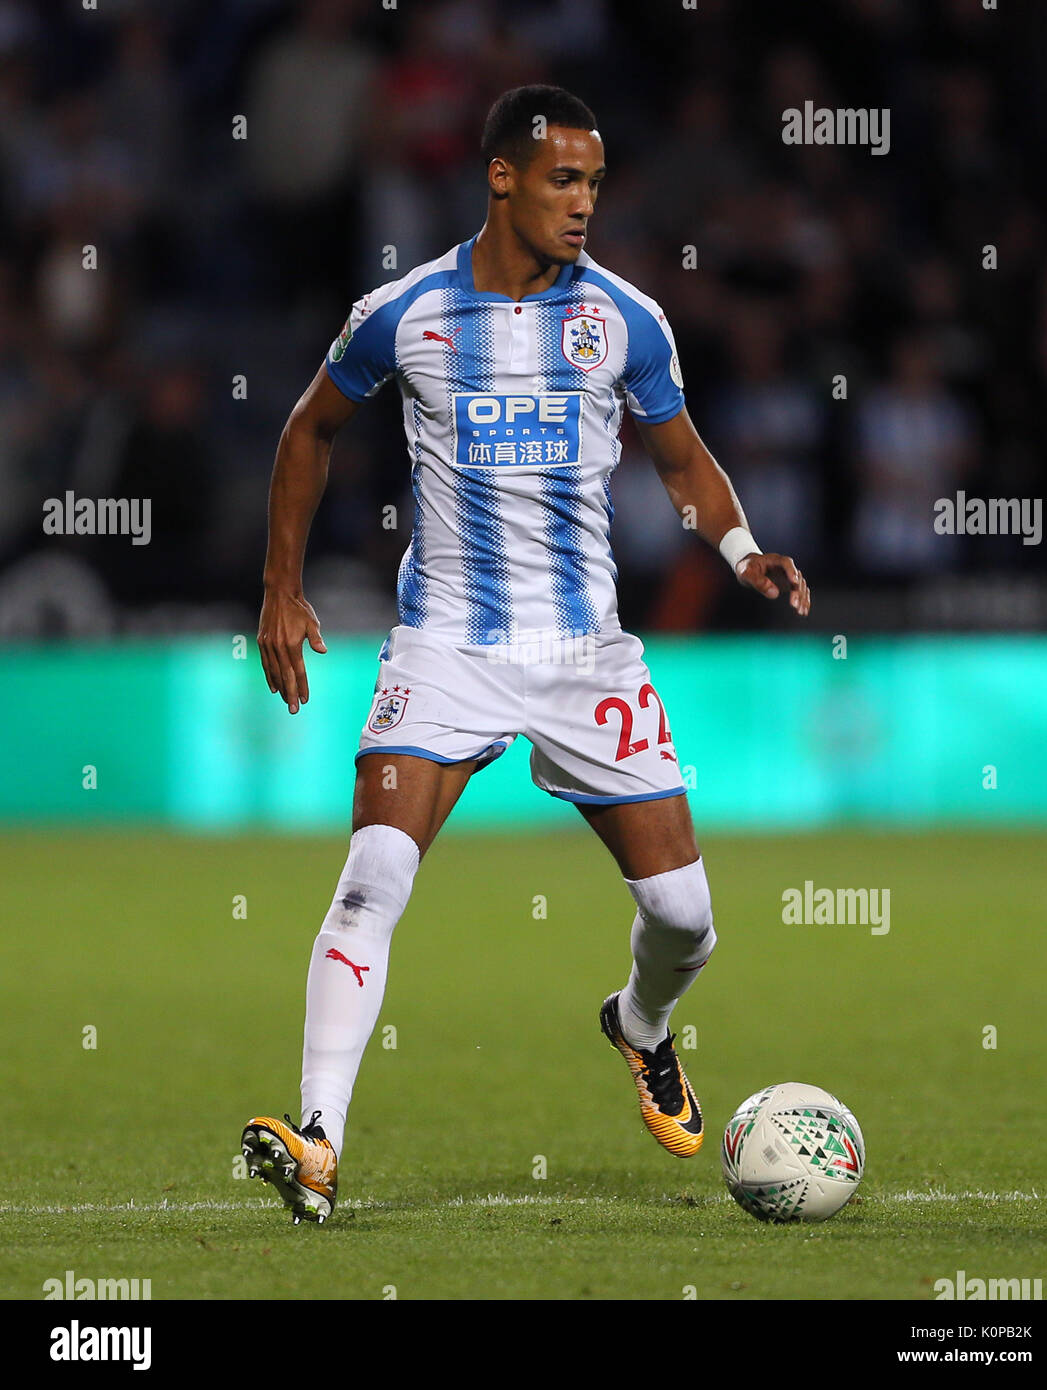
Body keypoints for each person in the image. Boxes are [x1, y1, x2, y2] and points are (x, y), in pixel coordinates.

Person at [242, 85, 810, 1224]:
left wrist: (742, 546)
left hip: (583, 655)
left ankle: (639, 1025)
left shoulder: (626, 320)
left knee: (688, 918)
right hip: (445, 643)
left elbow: (684, 462)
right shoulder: (403, 314)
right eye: (563, 179)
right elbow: (308, 429)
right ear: (501, 177)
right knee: (371, 878)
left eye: (595, 183)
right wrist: (280, 585)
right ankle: (317, 1140)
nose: (583, 203)